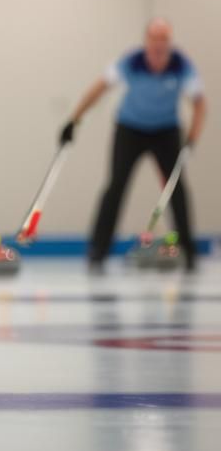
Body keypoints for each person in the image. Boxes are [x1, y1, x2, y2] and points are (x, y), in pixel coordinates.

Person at [61, 19, 206, 272]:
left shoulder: (181, 66)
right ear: (147, 41)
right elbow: (99, 88)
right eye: (155, 39)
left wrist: (191, 140)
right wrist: (74, 119)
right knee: (116, 186)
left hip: (166, 131)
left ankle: (189, 251)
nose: (159, 45)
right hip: (130, 129)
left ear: (169, 42)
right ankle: (98, 250)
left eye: (164, 39)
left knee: (176, 188)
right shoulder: (131, 61)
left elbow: (199, 104)